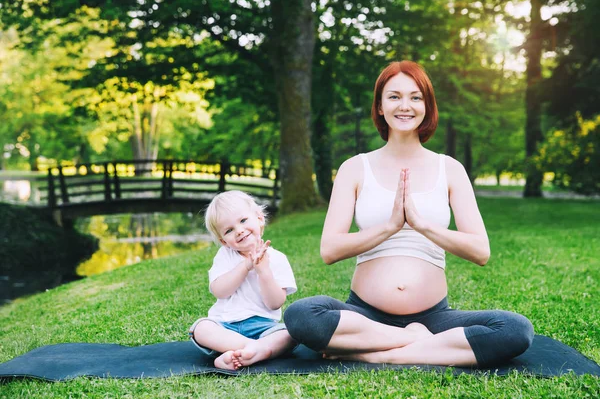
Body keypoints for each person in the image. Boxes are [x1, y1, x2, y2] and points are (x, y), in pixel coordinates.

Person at [284, 61, 534, 367]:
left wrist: (421, 225)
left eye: (416, 97)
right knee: (301, 316)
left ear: (427, 106)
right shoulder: (354, 168)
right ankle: (422, 346)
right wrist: (389, 226)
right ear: (379, 106)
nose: (405, 106)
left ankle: (374, 352)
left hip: (434, 317)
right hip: (365, 316)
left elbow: (480, 251)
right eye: (394, 97)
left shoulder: (450, 169)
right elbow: (329, 250)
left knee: (515, 329)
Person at [189, 190, 297, 370]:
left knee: (291, 333)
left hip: (263, 327)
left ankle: (236, 353)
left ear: (259, 218)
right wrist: (246, 266)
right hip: (225, 327)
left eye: (243, 221)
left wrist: (264, 272)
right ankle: (253, 349)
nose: (239, 230)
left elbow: (275, 303)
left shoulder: (277, 259)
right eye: (229, 230)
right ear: (224, 241)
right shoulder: (225, 256)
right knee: (201, 328)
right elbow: (219, 291)